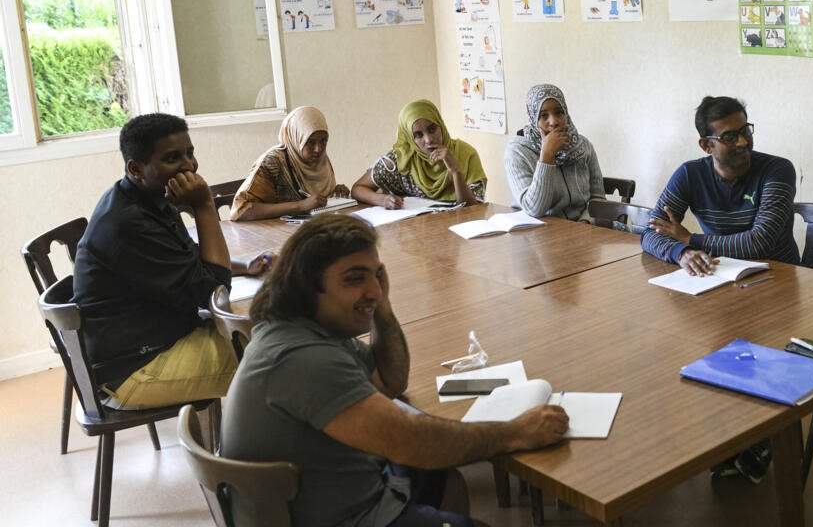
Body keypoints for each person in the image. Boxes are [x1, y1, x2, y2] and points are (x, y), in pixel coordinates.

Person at [221, 213, 568, 527]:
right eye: (355, 278)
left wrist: (380, 306)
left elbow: (390, 380)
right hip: (343, 516)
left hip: (333, 495)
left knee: (442, 475)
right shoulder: (302, 358)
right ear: (306, 285)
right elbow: (414, 441)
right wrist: (513, 432)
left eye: (377, 275)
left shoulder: (304, 327)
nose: (373, 289)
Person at [642, 96, 799, 484]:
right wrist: (680, 252)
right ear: (706, 145)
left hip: (776, 284)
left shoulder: (777, 170)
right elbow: (650, 231)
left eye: (745, 131)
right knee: (697, 350)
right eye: (730, 137)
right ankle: (734, 437)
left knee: (752, 351)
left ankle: (755, 437)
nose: (743, 142)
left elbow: (759, 242)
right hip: (719, 281)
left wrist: (692, 238)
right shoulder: (689, 174)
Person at [72, 113, 272, 409]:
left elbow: (189, 259)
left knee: (278, 334)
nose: (189, 165)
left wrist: (244, 265)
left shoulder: (146, 197)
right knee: (279, 359)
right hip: (135, 369)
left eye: (190, 153)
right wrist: (204, 205)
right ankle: (258, 451)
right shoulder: (129, 223)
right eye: (172, 158)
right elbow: (215, 291)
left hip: (164, 337)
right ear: (136, 168)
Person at [352, 99, 486, 209]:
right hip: (418, 233)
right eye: (418, 135)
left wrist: (455, 171)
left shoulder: (466, 154)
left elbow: (471, 209)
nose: (428, 139)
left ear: (441, 125)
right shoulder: (400, 159)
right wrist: (382, 199)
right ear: (410, 138)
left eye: (432, 129)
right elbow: (358, 188)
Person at [230, 106, 350, 221]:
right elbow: (240, 210)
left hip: (311, 230)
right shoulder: (273, 163)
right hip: (272, 235)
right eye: (310, 142)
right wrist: (299, 206)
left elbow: (315, 202)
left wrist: (334, 194)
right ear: (295, 138)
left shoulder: (320, 160)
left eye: (323, 141)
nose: (318, 149)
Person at [504, 84, 604, 220]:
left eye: (559, 112)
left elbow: (598, 199)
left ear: (566, 113)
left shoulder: (584, 146)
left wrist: (585, 223)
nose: (553, 122)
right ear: (533, 119)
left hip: (582, 229)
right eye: (543, 115)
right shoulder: (517, 151)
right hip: (539, 232)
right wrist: (547, 155)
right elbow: (534, 209)